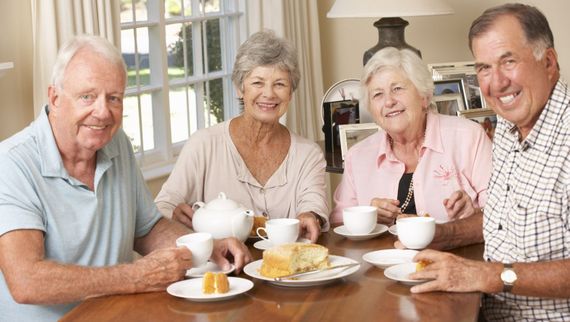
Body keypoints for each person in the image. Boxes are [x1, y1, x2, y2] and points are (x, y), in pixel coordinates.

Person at [0, 35, 251, 321]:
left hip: (116, 314)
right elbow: (26, 281)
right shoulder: (11, 164)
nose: (103, 112)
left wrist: (207, 246)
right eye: (87, 96)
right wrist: (136, 277)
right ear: (54, 98)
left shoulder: (115, 142)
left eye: (114, 98)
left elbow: (147, 229)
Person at [407, 4, 570, 321]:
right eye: (483, 68)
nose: (496, 84)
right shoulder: (510, 127)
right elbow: (508, 220)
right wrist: (445, 235)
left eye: (508, 62)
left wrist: (485, 276)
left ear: (549, 62)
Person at [154, 30, 329, 242]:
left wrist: (310, 215)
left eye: (280, 84)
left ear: (290, 93)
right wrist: (174, 216)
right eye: (258, 82)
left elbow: (314, 204)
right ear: (240, 88)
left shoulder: (308, 153)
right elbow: (162, 207)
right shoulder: (204, 144)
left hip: (287, 271)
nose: (269, 94)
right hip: (221, 270)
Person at [330, 47, 492, 225]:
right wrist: (367, 217)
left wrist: (473, 213)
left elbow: (501, 214)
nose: (389, 101)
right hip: (381, 253)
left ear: (423, 96)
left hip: (455, 251)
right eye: (378, 94)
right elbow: (339, 224)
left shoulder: (469, 137)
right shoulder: (358, 156)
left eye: (397, 89)